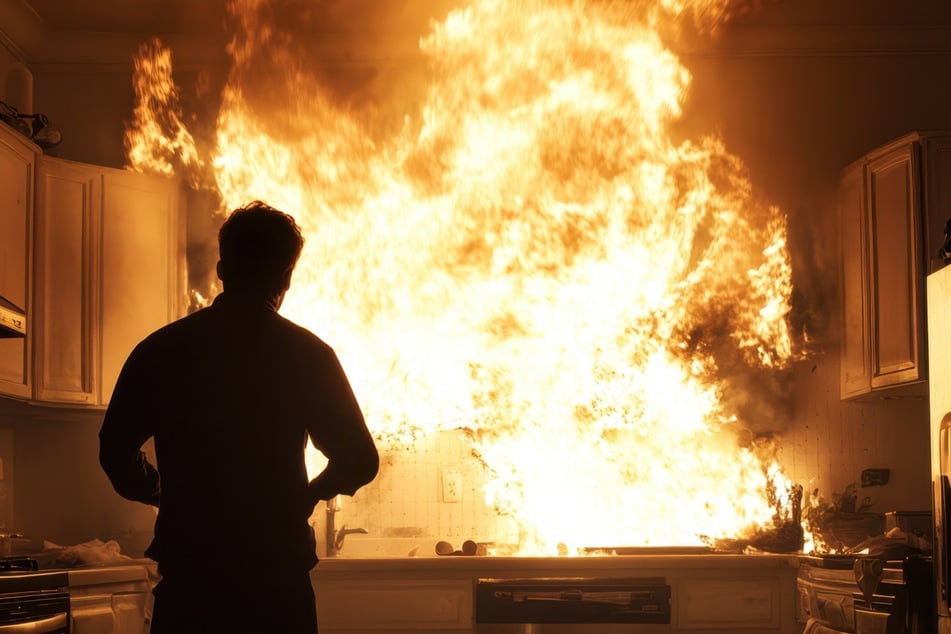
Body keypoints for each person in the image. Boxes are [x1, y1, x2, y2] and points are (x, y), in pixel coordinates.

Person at [99, 200, 379, 634]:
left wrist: (162, 492)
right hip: (277, 584)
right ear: (286, 276)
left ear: (221, 270)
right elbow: (360, 459)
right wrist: (306, 496)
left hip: (191, 585)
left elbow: (115, 452)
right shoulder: (308, 356)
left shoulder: (162, 351)